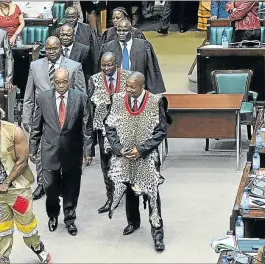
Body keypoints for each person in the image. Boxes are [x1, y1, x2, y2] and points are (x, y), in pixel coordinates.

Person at [0, 97, 51, 264]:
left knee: (26, 223)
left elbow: (22, 161)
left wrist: (7, 183)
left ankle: (37, 246)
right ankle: (1, 258)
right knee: (0, 228)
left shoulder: (14, 131)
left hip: (18, 192)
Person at [104, 72, 166, 251]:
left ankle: (158, 231)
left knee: (152, 193)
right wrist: (118, 148)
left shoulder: (155, 102)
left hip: (146, 157)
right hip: (125, 155)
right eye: (127, 86)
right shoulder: (117, 100)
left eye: (132, 87)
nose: (128, 90)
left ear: (142, 86)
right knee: (129, 188)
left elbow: (160, 131)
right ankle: (133, 221)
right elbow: (110, 126)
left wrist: (142, 149)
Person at [29, 68, 94, 236]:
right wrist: (33, 148)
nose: (61, 85)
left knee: (72, 188)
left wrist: (88, 151)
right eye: (58, 82)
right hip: (49, 151)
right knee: (50, 188)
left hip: (72, 151)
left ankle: (70, 219)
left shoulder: (81, 98)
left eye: (64, 82)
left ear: (69, 81)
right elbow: (36, 126)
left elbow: (87, 127)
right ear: (53, 82)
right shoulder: (43, 98)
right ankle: (53, 216)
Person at [22, 36, 85, 200]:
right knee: (42, 152)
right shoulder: (35, 66)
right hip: (41, 116)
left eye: (54, 48)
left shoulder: (74, 66)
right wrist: (26, 117)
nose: (50, 52)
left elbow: (81, 96)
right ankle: (42, 184)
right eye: (48, 49)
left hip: (65, 115)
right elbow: (29, 94)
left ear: (61, 49)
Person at [87, 52, 131, 214]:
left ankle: (127, 192)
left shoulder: (128, 77)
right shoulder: (94, 79)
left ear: (116, 63)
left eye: (110, 65)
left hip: (123, 128)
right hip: (103, 129)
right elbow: (90, 107)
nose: (107, 68)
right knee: (106, 164)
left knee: (124, 160)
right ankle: (110, 196)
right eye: (103, 65)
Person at [100, 19, 165, 94]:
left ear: (131, 31)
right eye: (119, 30)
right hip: (115, 89)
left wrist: (152, 92)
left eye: (124, 31)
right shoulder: (108, 47)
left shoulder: (143, 46)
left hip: (138, 88)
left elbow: (151, 69)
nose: (121, 33)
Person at [54, 7, 100, 71]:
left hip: (84, 69)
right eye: (68, 17)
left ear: (78, 17)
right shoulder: (59, 31)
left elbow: (95, 53)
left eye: (73, 17)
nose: (70, 20)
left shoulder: (88, 30)